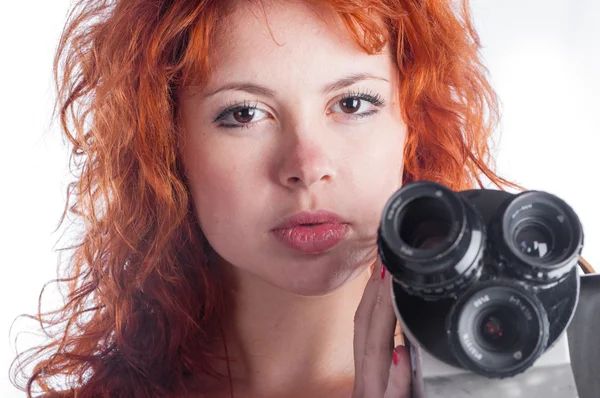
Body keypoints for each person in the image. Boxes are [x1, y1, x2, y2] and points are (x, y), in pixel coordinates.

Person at [10, 0, 517, 396]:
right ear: (166, 142)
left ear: (412, 119)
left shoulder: (542, 374)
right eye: (244, 114)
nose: (306, 165)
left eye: (352, 102)